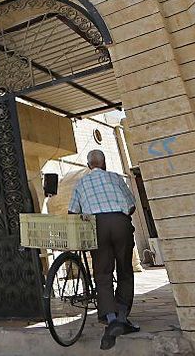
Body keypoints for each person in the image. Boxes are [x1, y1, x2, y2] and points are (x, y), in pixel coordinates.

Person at [67, 149, 138, 351]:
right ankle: (123, 316)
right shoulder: (115, 178)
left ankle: (111, 318)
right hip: (119, 221)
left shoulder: (81, 183)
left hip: (96, 226)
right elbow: (131, 205)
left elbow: (72, 212)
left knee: (103, 273)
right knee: (125, 269)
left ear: (89, 166)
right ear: (104, 163)